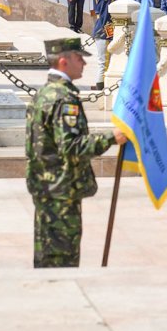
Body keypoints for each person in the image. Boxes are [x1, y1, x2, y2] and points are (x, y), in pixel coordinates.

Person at [26, 37, 127, 267]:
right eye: (79, 58)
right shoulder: (63, 99)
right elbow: (71, 146)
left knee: (48, 257)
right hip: (60, 190)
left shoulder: (45, 94)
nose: (83, 63)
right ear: (63, 61)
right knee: (61, 261)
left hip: (47, 187)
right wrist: (111, 137)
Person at [89, 0, 119, 90]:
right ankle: (101, 87)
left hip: (106, 30)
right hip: (104, 30)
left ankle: (102, 85)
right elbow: (104, 13)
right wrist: (111, 30)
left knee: (107, 61)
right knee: (104, 61)